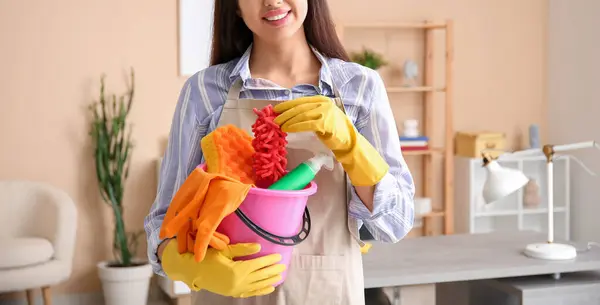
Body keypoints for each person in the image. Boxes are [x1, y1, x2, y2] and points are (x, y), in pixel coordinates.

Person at [144, 0, 415, 304]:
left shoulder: (359, 88)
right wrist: (197, 269)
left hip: (328, 292)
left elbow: (396, 223)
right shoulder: (205, 92)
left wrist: (353, 148)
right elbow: (164, 223)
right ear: (234, 7)